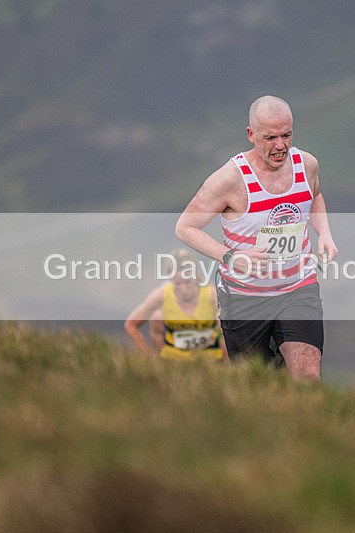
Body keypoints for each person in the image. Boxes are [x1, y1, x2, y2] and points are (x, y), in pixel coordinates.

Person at [175, 95, 337, 381]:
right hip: (245, 298)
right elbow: (185, 227)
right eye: (270, 137)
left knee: (307, 375)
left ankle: (305, 424)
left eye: (286, 135)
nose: (280, 146)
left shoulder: (307, 165)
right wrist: (231, 256)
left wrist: (324, 232)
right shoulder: (229, 180)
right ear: (251, 135)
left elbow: (315, 196)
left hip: (297, 288)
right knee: (258, 384)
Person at [125, 249, 227, 361]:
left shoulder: (211, 295)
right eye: (177, 284)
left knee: (224, 321)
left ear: (196, 276)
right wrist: (148, 357)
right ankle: (161, 362)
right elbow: (131, 324)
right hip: (174, 360)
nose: (183, 289)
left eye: (187, 282)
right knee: (156, 317)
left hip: (210, 359)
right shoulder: (162, 295)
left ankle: (227, 364)